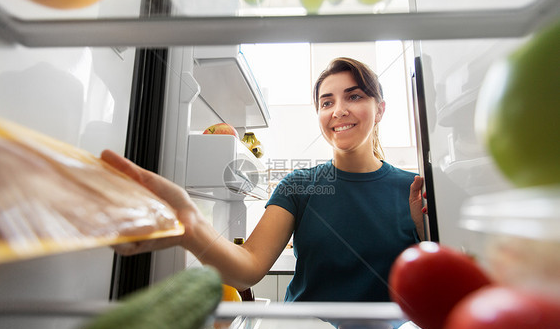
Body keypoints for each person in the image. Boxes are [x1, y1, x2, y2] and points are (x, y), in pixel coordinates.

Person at [101, 57, 426, 303]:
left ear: (380, 109)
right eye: (327, 102)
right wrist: (190, 226)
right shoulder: (298, 186)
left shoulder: (413, 189)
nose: (338, 110)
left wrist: (425, 236)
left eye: (353, 97)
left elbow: (434, 283)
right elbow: (248, 266)